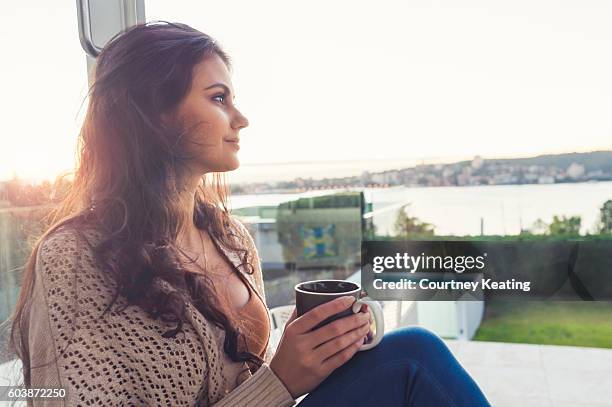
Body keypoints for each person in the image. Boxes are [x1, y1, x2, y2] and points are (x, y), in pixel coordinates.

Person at [10, 21, 490, 406]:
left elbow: (245, 372)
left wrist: (319, 349)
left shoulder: (229, 237)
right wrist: (280, 382)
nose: (240, 118)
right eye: (219, 98)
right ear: (153, 113)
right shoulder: (75, 258)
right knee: (416, 358)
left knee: (411, 354)